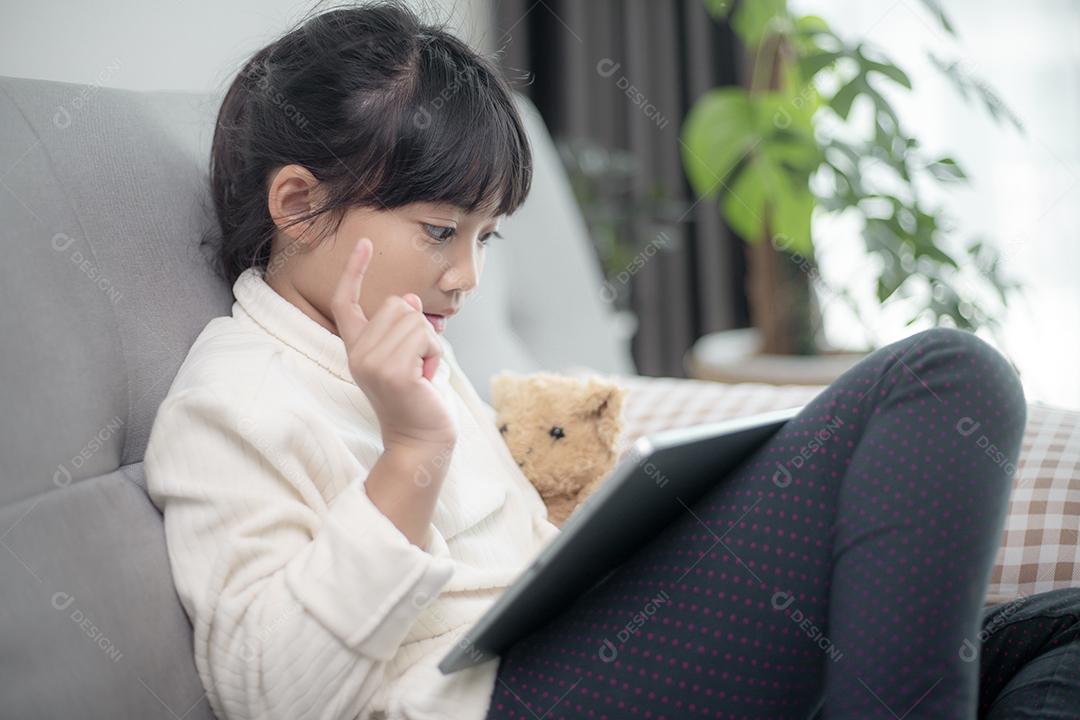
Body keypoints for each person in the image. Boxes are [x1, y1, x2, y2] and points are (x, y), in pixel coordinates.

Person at [144, 2, 1029, 718]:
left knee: (1049, 638)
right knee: (946, 380)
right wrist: (410, 458)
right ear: (298, 205)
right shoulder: (234, 401)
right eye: (442, 232)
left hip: (572, 648)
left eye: (485, 237)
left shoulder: (397, 342)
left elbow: (513, 557)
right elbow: (266, 694)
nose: (468, 276)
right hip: (492, 700)